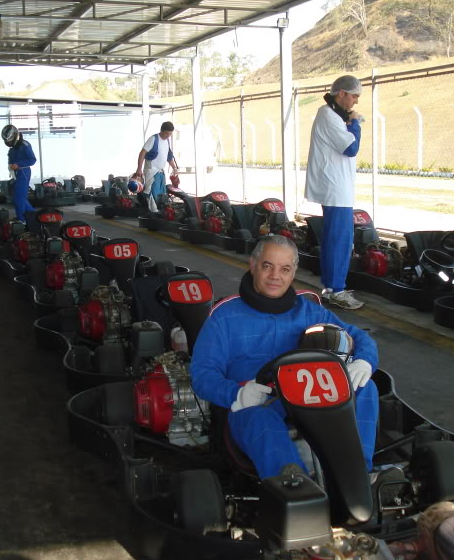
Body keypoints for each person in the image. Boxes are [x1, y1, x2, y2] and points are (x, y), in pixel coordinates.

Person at [190, 235, 379, 479]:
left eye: (285, 269)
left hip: (311, 397)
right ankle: (294, 485)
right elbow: (202, 374)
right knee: (259, 418)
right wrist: (236, 394)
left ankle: (358, 475)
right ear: (253, 265)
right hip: (256, 403)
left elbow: (360, 338)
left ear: (293, 273)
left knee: (367, 387)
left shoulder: (309, 311)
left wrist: (364, 360)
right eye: (267, 266)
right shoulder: (224, 318)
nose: (275, 276)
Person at [304, 75, 365, 310]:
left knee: (335, 239)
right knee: (340, 240)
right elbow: (351, 148)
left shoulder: (332, 115)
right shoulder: (328, 115)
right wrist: (355, 124)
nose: (355, 103)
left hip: (338, 188)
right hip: (335, 189)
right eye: (354, 96)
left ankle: (332, 287)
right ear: (341, 94)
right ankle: (336, 290)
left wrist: (349, 123)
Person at [135, 121, 179, 211]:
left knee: (161, 193)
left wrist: (174, 168)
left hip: (160, 171)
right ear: (161, 131)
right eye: (166, 133)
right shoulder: (153, 139)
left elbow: (169, 156)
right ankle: (153, 212)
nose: (168, 136)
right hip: (151, 170)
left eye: (170, 134)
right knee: (152, 192)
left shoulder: (167, 141)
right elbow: (142, 153)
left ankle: (161, 211)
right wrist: (139, 168)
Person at [1, 124, 37, 222]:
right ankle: (33, 217)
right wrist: (11, 167)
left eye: (9, 140)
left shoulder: (25, 145)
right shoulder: (13, 148)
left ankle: (22, 220)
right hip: (16, 173)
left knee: (19, 198)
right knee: (18, 197)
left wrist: (18, 164)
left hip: (23, 171)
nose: (8, 142)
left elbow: (32, 160)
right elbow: (11, 159)